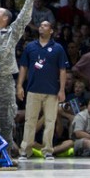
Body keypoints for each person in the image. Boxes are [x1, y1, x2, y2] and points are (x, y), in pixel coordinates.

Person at [0, 0, 37, 155]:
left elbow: (24, 18)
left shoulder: (12, 32)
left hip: (6, 79)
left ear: (5, 18)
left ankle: (6, 152)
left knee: (7, 117)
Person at [17, 21, 68, 161]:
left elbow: (63, 70)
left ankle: (47, 151)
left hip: (52, 91)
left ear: (51, 31)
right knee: (30, 121)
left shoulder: (58, 48)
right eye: (40, 25)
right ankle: (25, 151)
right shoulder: (30, 47)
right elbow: (23, 67)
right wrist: (19, 86)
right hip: (33, 89)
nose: (41, 27)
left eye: (45, 26)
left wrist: (62, 90)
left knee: (50, 121)